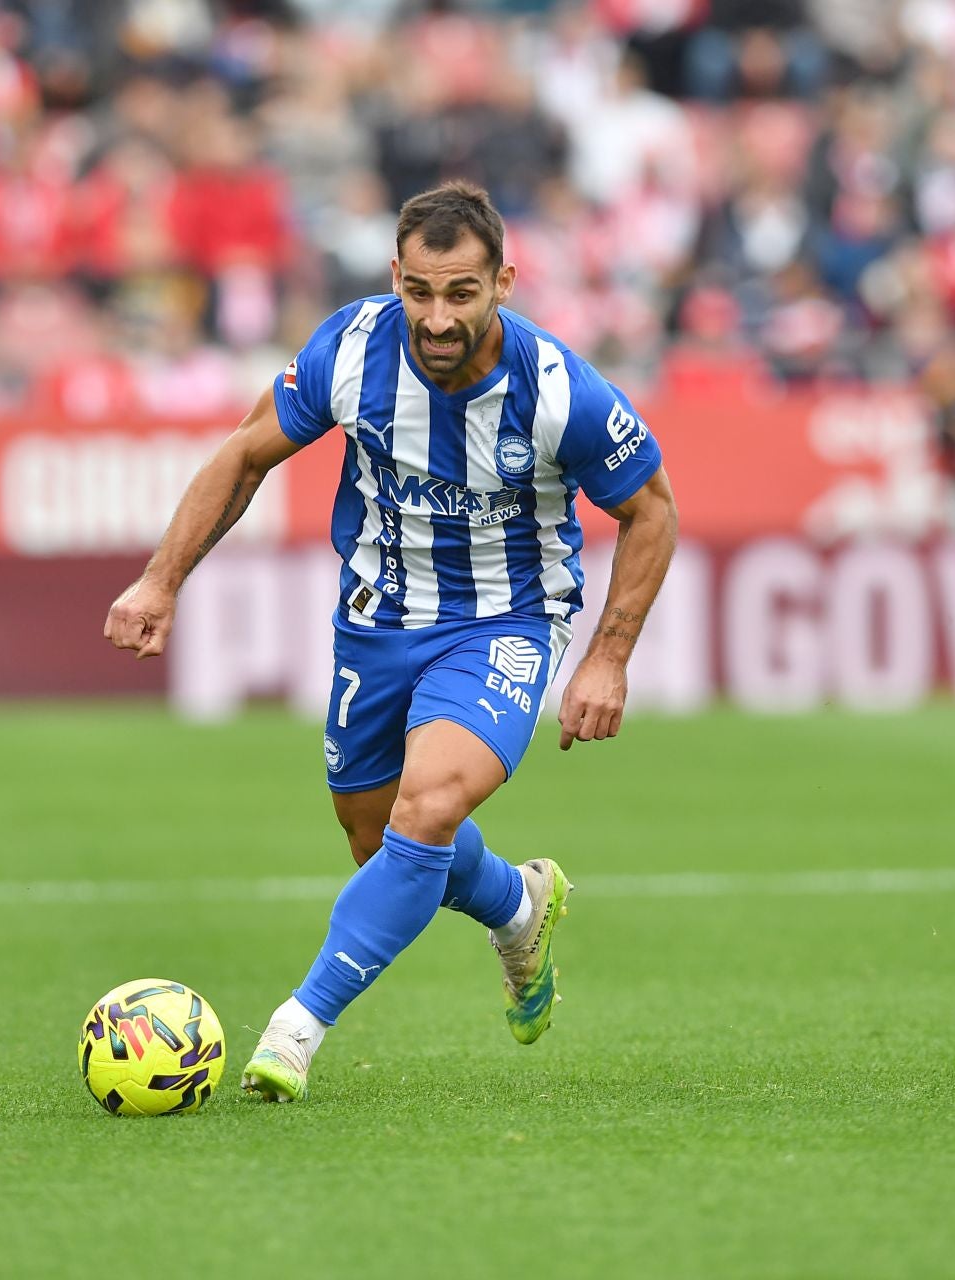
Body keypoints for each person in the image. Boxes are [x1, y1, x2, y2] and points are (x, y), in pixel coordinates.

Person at [103, 180, 679, 1101]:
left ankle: (297, 1026)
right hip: (375, 623)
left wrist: (607, 656)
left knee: (429, 806)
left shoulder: (559, 388)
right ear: (396, 279)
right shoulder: (352, 348)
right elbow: (247, 450)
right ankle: (517, 905)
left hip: (506, 621)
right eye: (420, 291)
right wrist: (160, 579)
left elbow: (650, 509)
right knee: (382, 844)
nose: (438, 316)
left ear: (505, 283)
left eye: (462, 293)